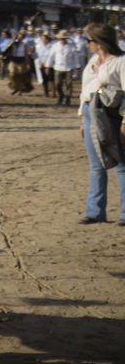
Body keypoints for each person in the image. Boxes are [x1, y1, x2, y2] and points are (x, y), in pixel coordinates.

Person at [78, 23, 125, 224]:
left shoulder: (120, 62)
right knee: (95, 164)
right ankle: (95, 211)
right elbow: (84, 90)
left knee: (121, 164)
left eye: (89, 40)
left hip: (110, 115)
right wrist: (82, 117)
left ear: (99, 42)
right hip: (91, 113)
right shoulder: (92, 61)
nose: (87, 44)